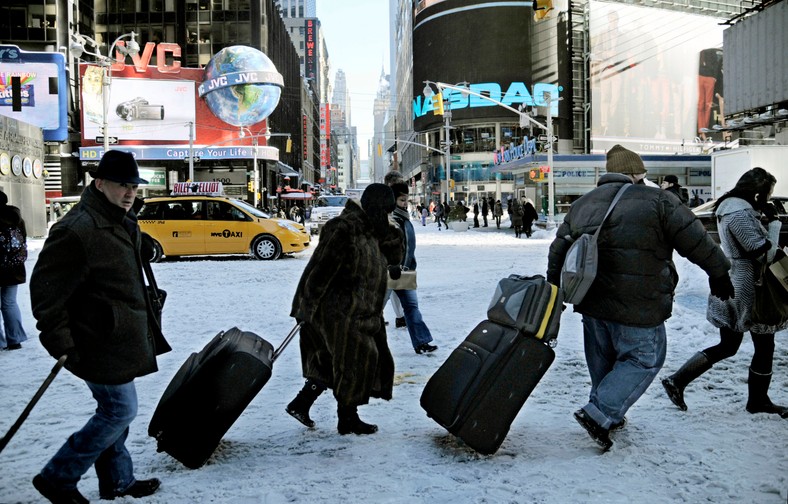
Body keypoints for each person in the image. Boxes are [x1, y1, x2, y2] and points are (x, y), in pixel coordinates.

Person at [546, 144, 732, 451]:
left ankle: (608, 413)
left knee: (602, 358)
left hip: (591, 301)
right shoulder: (657, 200)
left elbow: (558, 249)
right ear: (635, 173)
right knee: (644, 359)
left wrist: (554, 288)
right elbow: (694, 238)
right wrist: (719, 272)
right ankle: (600, 412)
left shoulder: (583, 204)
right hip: (640, 302)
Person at [29, 150, 170, 502]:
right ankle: (58, 477)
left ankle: (118, 480)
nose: (129, 193)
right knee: (119, 410)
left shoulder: (119, 219)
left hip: (118, 337)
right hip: (94, 341)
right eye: (122, 186)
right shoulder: (77, 230)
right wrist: (62, 343)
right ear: (100, 183)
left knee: (115, 413)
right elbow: (46, 294)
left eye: (134, 187)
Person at [662, 167, 788, 418]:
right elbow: (762, 253)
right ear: (756, 194)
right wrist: (774, 223)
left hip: (735, 280)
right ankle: (758, 401)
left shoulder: (732, 208)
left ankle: (678, 380)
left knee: (729, 345)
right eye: (767, 194)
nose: (768, 198)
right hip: (748, 287)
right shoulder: (739, 213)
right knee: (764, 346)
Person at [286, 184, 403, 435]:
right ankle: (347, 419)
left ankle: (301, 403)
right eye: (384, 210)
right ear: (373, 207)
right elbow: (320, 270)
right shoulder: (344, 228)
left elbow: (395, 258)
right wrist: (306, 308)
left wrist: (390, 233)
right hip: (339, 310)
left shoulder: (374, 228)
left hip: (364, 309)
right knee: (355, 360)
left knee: (333, 362)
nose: (386, 215)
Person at [388, 182, 437, 354]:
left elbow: (409, 246)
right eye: (402, 200)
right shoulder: (390, 219)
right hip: (389, 273)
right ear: (393, 200)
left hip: (404, 272)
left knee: (411, 307)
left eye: (406, 199)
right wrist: (391, 265)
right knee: (374, 311)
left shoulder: (403, 217)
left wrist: (408, 265)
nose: (405, 203)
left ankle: (421, 342)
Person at [0, 190, 28, 351]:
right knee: (9, 303)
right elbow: (23, 239)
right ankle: (15, 339)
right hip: (13, 267)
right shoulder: (15, 217)